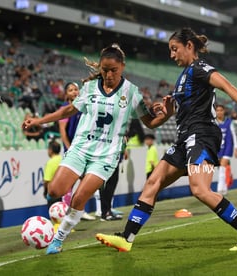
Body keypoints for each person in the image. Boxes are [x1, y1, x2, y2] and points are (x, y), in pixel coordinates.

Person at [96, 27, 237, 252]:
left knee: (199, 190)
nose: (172, 54)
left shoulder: (199, 68)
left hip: (202, 135)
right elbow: (187, 108)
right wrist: (169, 111)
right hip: (184, 138)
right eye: (170, 50)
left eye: (174, 49)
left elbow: (227, 85)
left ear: (189, 46)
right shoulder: (184, 76)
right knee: (153, 182)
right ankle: (127, 238)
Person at [22, 43, 173, 254]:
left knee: (79, 198)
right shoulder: (90, 88)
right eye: (105, 70)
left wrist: (166, 115)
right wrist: (40, 121)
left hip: (107, 155)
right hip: (81, 147)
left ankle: (58, 239)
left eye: (114, 70)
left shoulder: (132, 92)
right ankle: (55, 210)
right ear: (100, 69)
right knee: (54, 190)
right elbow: (68, 110)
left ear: (122, 67)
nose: (109, 74)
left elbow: (150, 123)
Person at [58, 82, 96, 221]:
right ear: (66, 94)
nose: (74, 92)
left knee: (83, 180)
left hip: (83, 149)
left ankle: (77, 210)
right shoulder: (65, 108)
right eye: (70, 90)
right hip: (72, 150)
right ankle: (66, 211)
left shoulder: (82, 108)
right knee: (70, 182)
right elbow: (62, 131)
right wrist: (69, 149)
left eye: (75, 89)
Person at [215, 104, 237, 195]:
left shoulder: (229, 122)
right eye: (217, 110)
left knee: (222, 168)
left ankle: (219, 189)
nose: (219, 112)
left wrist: (236, 147)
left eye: (221, 110)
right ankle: (224, 188)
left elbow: (234, 135)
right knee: (221, 168)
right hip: (217, 148)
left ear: (224, 111)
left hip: (228, 147)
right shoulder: (213, 122)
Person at [43, 140, 62, 208]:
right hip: (63, 192)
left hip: (53, 193)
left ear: (50, 150)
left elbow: (47, 180)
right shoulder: (63, 159)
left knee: (54, 214)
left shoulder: (50, 162)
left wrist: (45, 192)